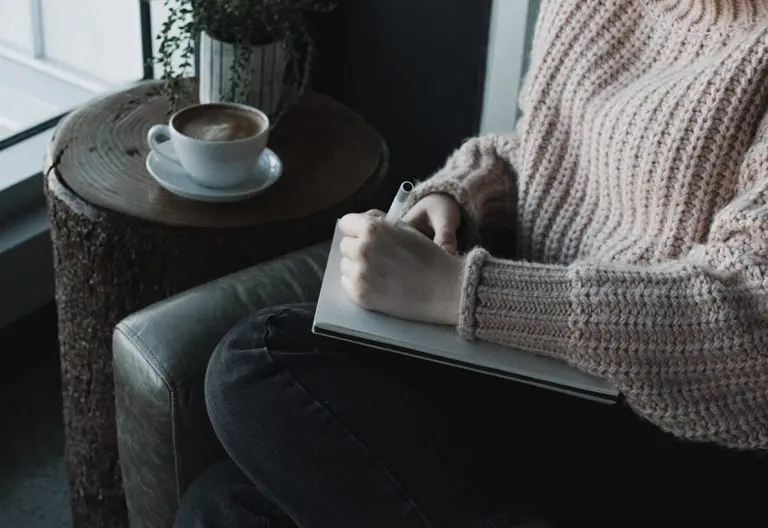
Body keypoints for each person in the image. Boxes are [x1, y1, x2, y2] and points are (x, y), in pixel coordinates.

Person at [175, 1, 768, 526]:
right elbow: (546, 153)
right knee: (220, 507)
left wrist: (463, 292)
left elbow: (749, 313)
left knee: (255, 361)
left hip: (654, 418)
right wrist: (459, 194)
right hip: (528, 362)